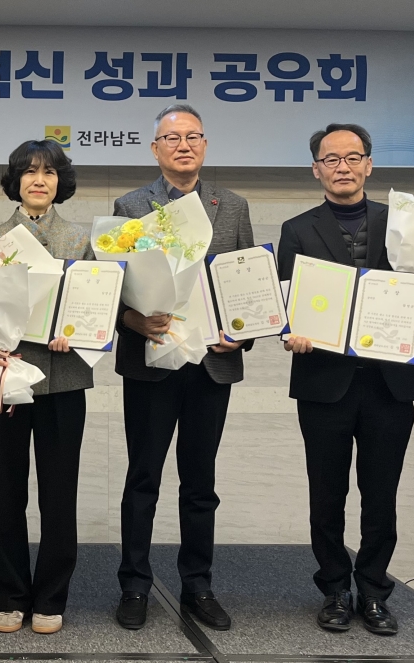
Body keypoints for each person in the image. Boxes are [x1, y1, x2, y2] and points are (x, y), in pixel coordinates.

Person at [278, 123, 414, 636]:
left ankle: (373, 592)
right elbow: (286, 303)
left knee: (381, 495)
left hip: (389, 384)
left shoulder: (405, 226)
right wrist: (290, 332)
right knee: (326, 495)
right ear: (316, 169)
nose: (343, 167)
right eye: (331, 159)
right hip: (323, 383)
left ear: (369, 165)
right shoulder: (297, 229)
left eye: (353, 157)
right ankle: (334, 590)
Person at [112, 104, 254, 632]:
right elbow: (112, 286)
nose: (183, 145)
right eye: (172, 138)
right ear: (155, 149)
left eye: (193, 136)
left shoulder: (232, 206)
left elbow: (247, 280)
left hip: (211, 364)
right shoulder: (131, 206)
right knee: (142, 479)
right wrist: (132, 319)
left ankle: (198, 586)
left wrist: (242, 332)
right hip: (152, 362)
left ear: (205, 145)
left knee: (200, 483)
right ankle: (134, 585)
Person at [0, 140, 94, 636]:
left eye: (49, 172)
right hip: (4, 381)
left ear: (61, 182)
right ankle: (11, 596)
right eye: (30, 172)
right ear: (15, 181)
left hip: (63, 381)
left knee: (59, 494)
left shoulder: (79, 240)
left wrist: (78, 331)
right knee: (7, 492)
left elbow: (98, 307)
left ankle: (52, 597)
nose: (39, 180)